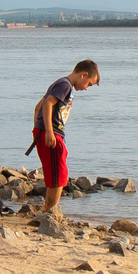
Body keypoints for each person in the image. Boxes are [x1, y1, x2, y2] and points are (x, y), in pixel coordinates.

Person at [30, 59, 100, 214]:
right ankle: (50, 212)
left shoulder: (59, 83)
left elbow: (37, 108)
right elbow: (47, 104)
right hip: (52, 133)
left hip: (44, 132)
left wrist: (37, 130)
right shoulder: (65, 85)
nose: (87, 88)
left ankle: (48, 210)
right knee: (59, 176)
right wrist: (48, 131)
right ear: (84, 75)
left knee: (55, 174)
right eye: (89, 84)